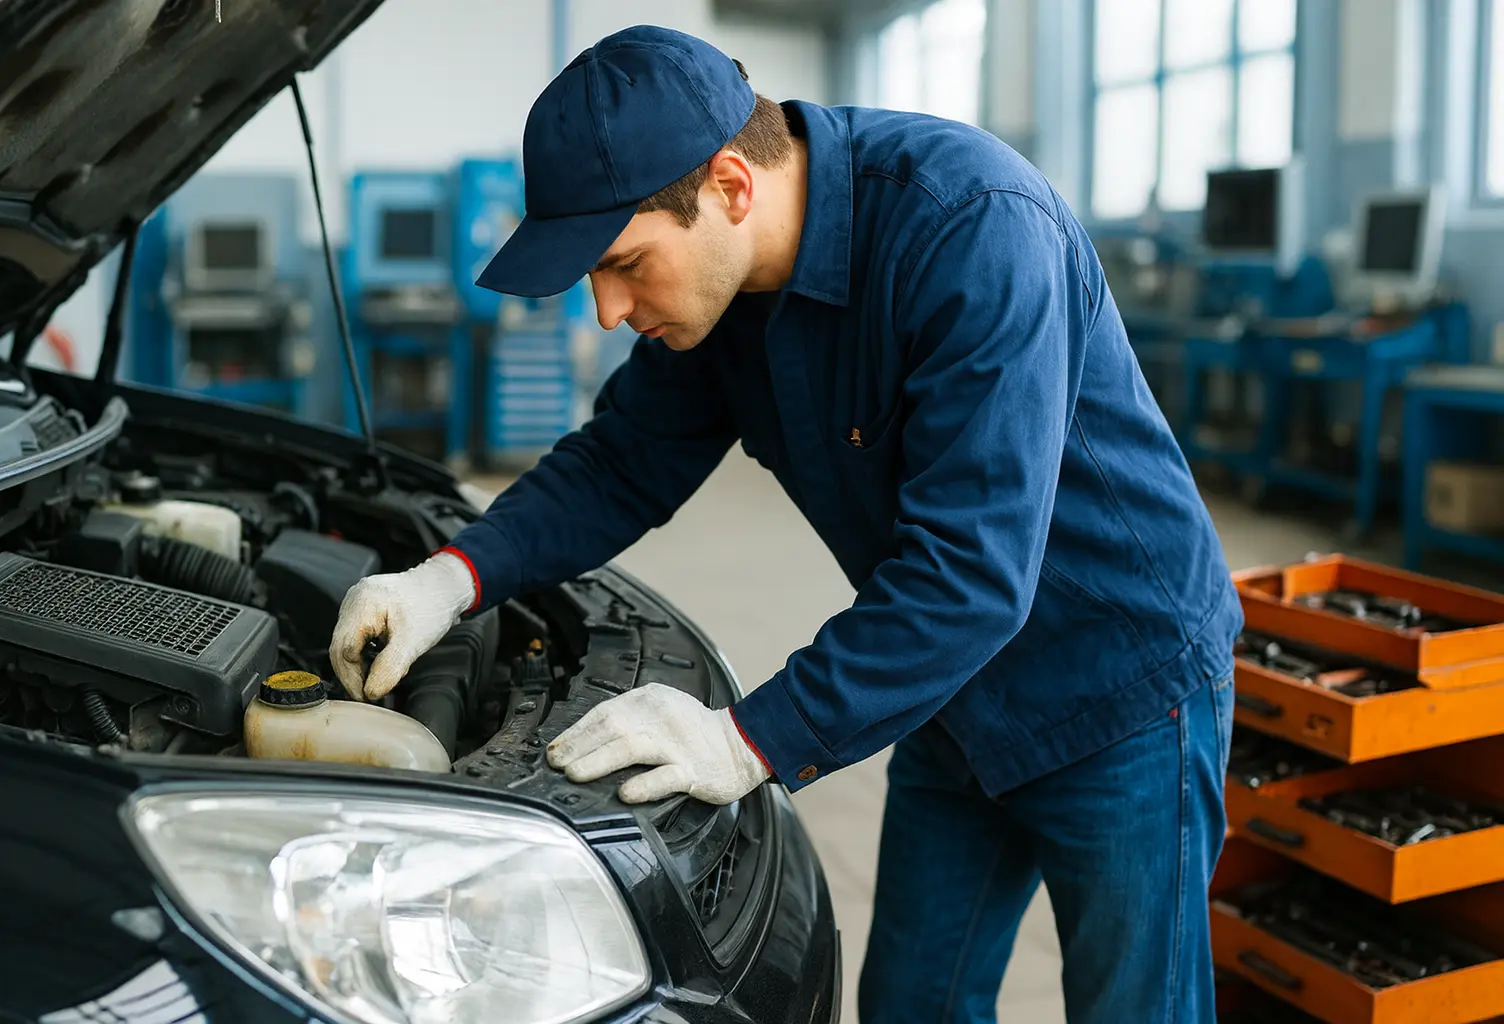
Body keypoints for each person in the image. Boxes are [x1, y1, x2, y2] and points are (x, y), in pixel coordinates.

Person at [329, 24, 1242, 1023]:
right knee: (909, 1003)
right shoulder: (722, 295)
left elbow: (971, 575)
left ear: (729, 186)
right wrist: (449, 577)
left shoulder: (973, 228)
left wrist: (747, 739)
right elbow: (623, 462)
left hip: (1119, 686)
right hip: (950, 690)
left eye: (625, 262)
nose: (606, 308)